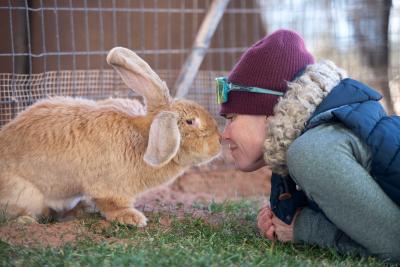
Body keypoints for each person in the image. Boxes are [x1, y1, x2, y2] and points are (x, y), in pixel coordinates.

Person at [217, 29, 400, 262]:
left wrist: (303, 228)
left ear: (270, 113)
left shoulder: (312, 151)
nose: (225, 135)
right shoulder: (329, 135)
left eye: (232, 118)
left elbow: (395, 246)